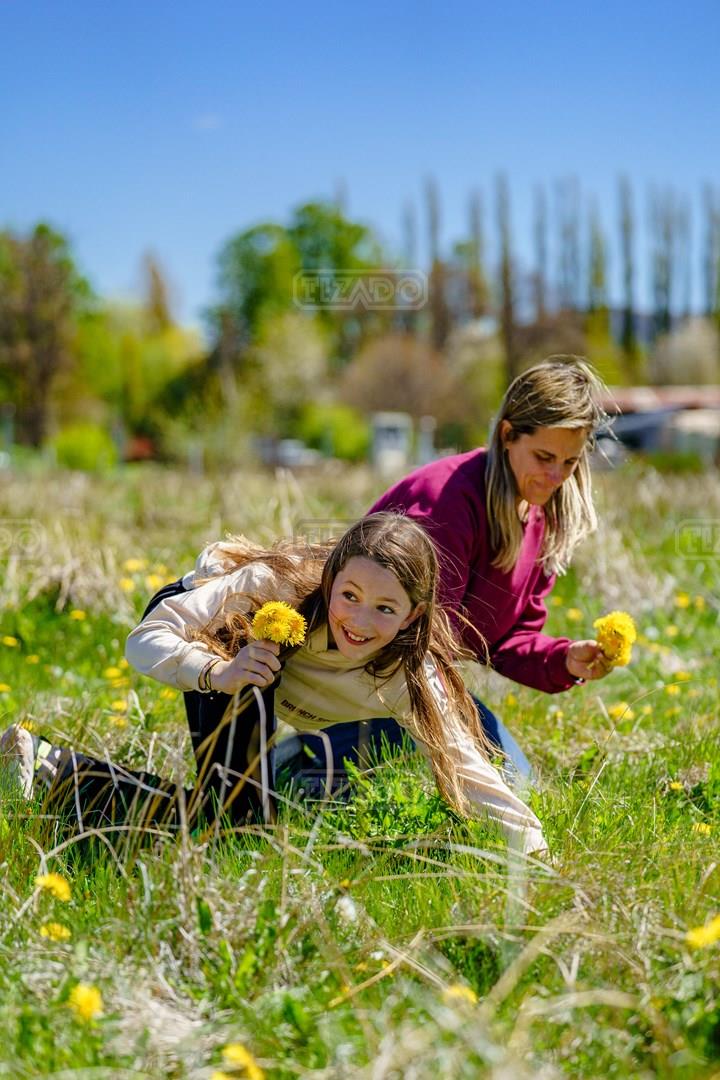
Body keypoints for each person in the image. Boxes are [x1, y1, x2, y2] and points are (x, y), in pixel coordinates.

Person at [0, 514, 547, 856]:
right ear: (329, 581)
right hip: (216, 640)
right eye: (349, 595)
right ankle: (54, 774)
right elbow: (145, 640)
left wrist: (539, 861)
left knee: (230, 830)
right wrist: (218, 673)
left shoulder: (414, 676)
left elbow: (472, 773)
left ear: (412, 615)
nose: (359, 621)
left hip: (250, 674)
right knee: (240, 829)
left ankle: (48, 767)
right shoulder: (272, 588)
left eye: (385, 608)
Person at [300, 356, 616, 780]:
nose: (557, 475)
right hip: (361, 678)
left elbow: (508, 640)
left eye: (570, 462)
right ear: (507, 435)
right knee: (490, 783)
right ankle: (307, 761)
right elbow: (415, 642)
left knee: (518, 784)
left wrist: (564, 661)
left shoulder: (541, 514)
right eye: (544, 457)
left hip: (424, 684)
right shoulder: (446, 501)